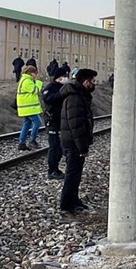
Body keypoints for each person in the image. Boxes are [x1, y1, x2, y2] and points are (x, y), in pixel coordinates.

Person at [59, 68, 98, 215]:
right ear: (86, 82)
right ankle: (67, 203)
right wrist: (82, 147)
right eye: (92, 81)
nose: (94, 84)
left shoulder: (79, 95)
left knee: (75, 173)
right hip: (73, 143)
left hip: (72, 141)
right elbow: (76, 125)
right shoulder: (75, 98)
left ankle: (73, 200)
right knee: (72, 174)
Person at [41, 67, 69, 180]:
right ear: (59, 77)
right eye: (65, 76)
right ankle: (52, 170)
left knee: (60, 147)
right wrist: (61, 94)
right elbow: (48, 99)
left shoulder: (63, 87)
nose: (66, 78)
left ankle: (56, 169)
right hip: (53, 121)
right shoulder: (50, 88)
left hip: (61, 120)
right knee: (54, 147)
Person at [16, 66, 44, 151]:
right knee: (38, 122)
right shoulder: (27, 81)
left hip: (26, 108)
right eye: (35, 73)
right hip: (29, 107)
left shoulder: (25, 80)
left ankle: (22, 143)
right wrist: (38, 81)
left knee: (27, 123)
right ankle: (32, 141)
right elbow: (35, 90)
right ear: (32, 73)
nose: (36, 75)